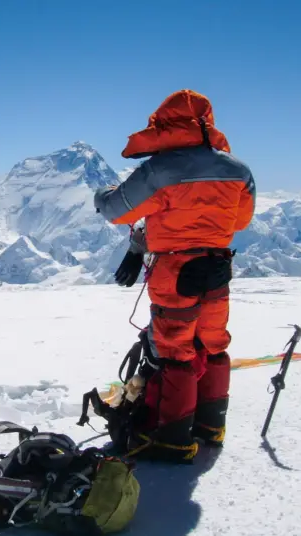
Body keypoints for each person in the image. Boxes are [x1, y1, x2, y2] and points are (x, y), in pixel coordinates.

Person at [94, 89, 255, 462]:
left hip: (175, 270)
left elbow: (117, 209)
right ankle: (211, 426)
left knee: (175, 352)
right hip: (218, 267)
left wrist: (103, 194)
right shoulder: (238, 170)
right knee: (213, 343)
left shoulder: (160, 170)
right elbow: (241, 220)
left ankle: (171, 438)